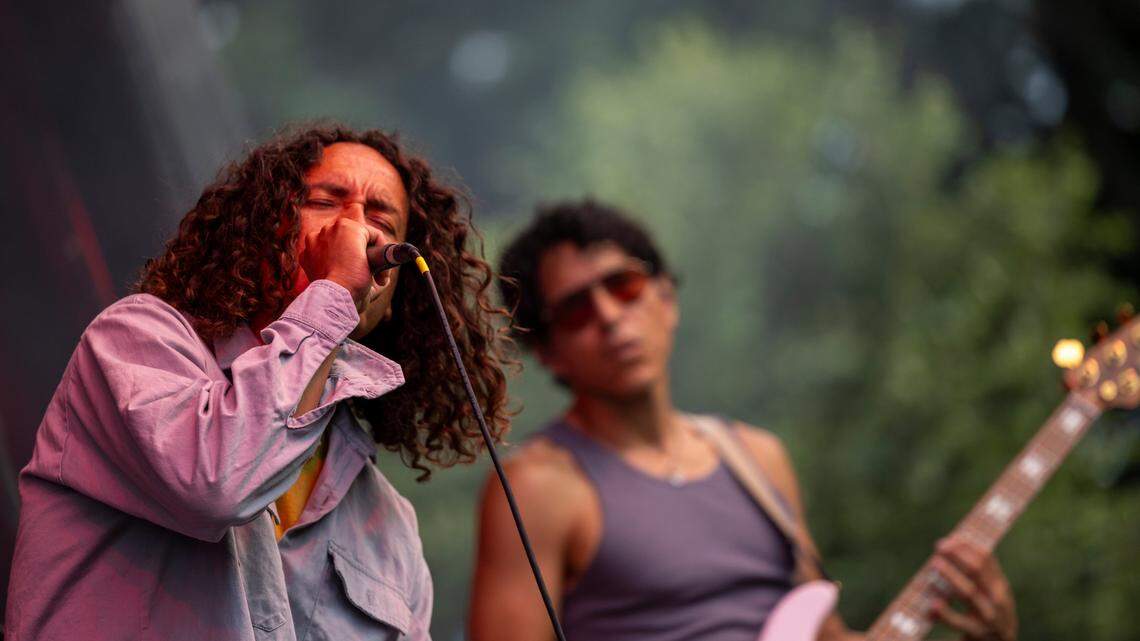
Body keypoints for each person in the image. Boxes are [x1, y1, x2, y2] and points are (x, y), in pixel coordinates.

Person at [5, 125, 510, 641]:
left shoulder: (389, 527)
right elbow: (219, 483)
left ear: (396, 294)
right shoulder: (135, 341)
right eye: (324, 202)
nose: (357, 230)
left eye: (381, 220)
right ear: (262, 230)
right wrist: (333, 291)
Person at [469, 200, 1017, 641]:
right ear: (547, 352)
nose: (611, 318)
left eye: (624, 287)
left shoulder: (758, 458)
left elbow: (825, 634)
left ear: (667, 298)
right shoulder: (537, 488)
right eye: (576, 311)